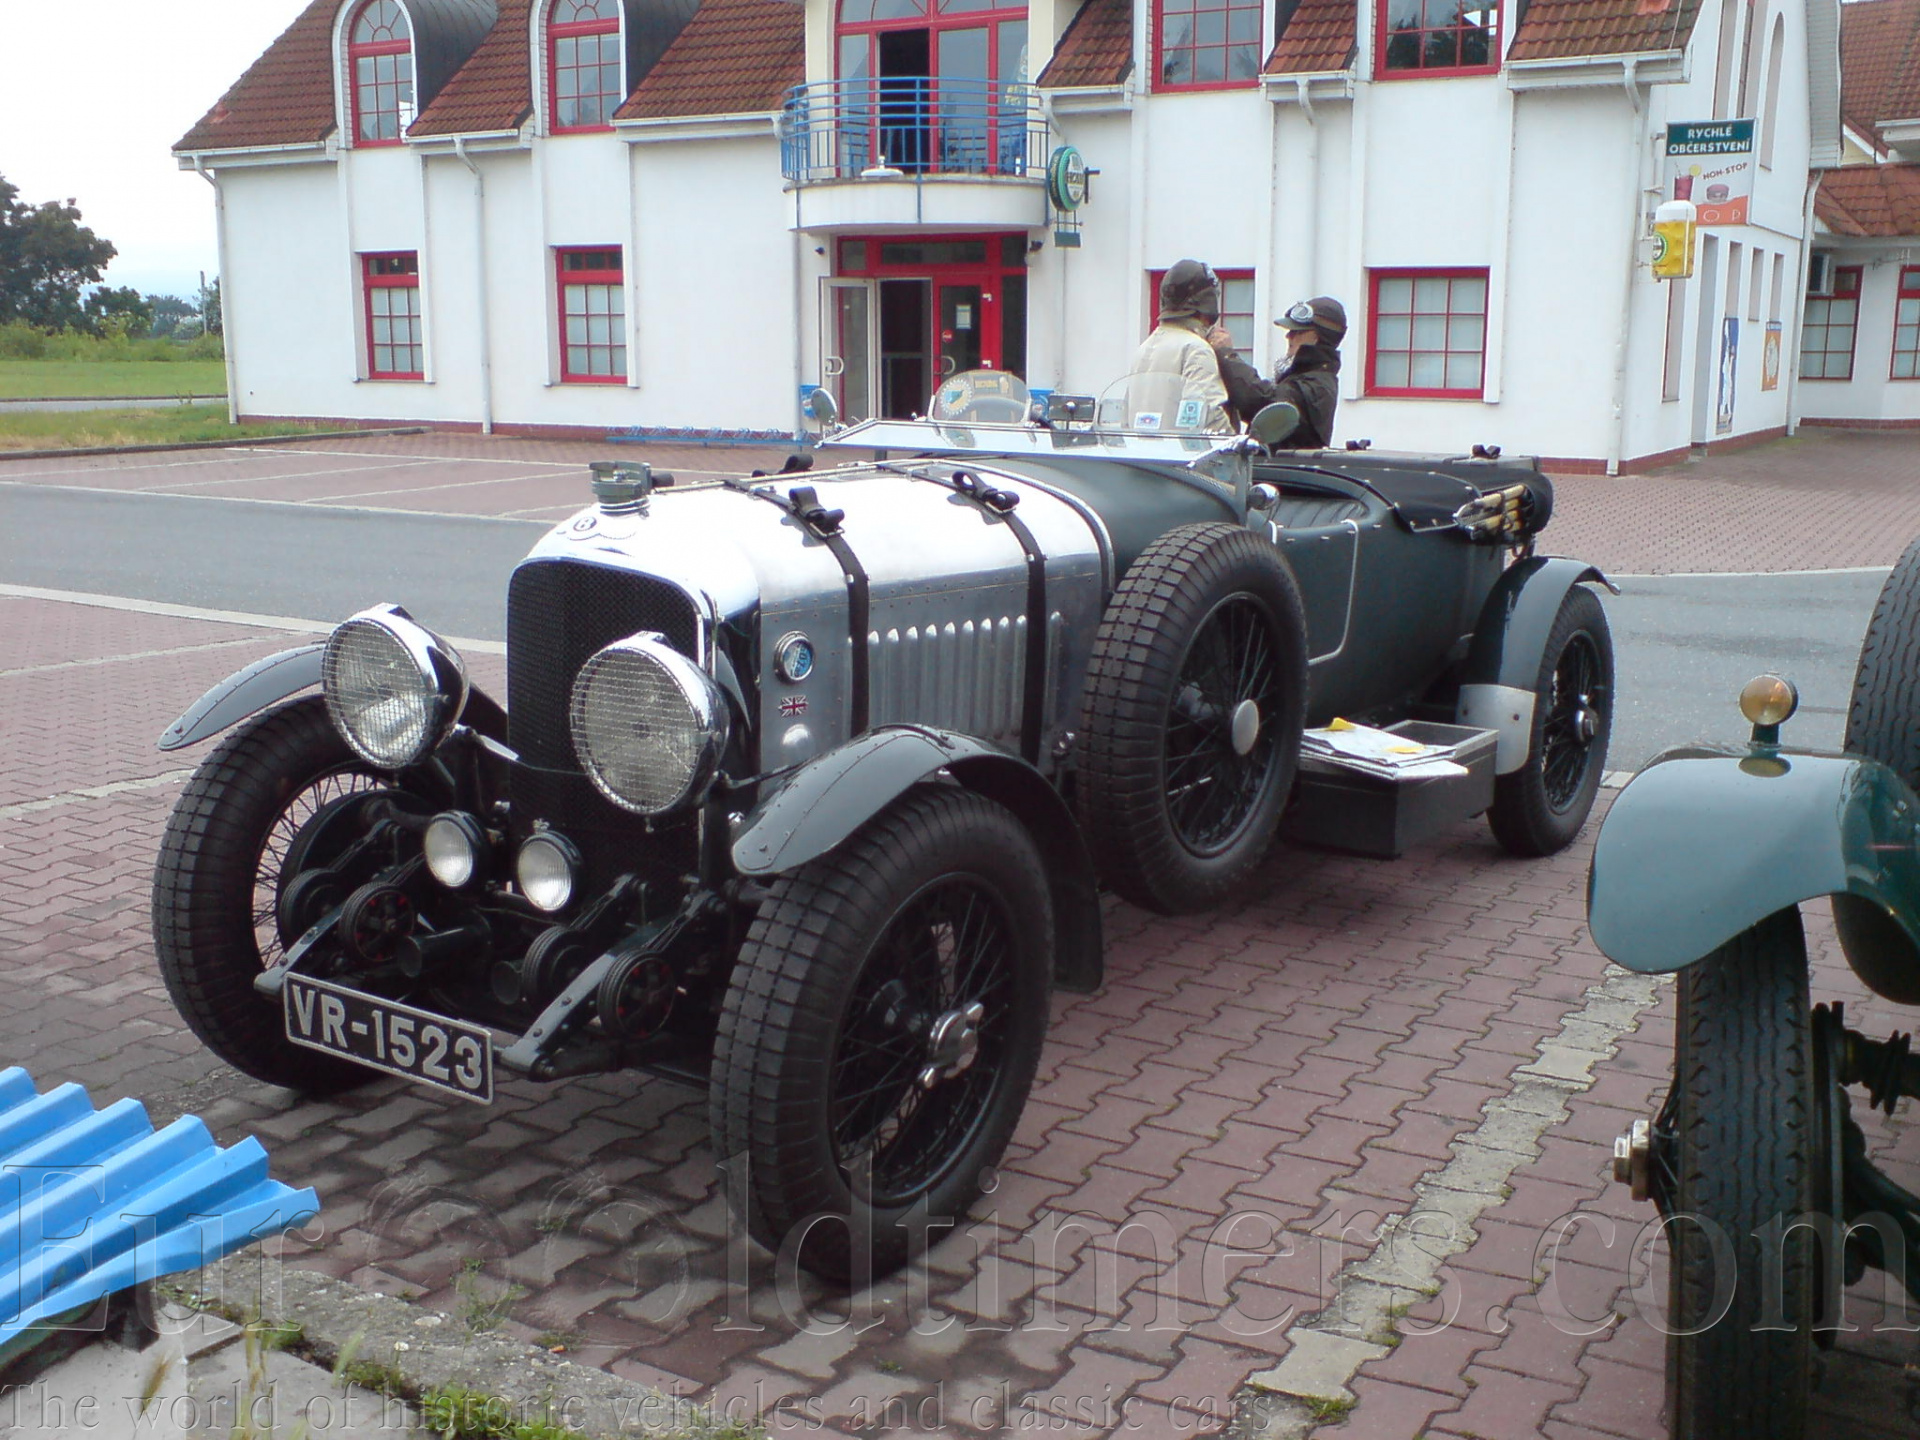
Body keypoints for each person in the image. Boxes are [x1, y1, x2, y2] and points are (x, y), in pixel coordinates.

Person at [1215, 295, 1346, 449]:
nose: (1288, 336)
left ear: (1315, 337)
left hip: (1286, 465)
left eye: (1297, 332)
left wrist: (1227, 355)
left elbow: (1262, 404)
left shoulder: (1316, 385)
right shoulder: (1308, 377)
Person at [1127, 260, 1234, 434]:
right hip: (1178, 450)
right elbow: (1207, 414)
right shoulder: (1196, 349)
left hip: (1141, 450)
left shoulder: (1143, 349)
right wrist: (1233, 441)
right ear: (1207, 303)